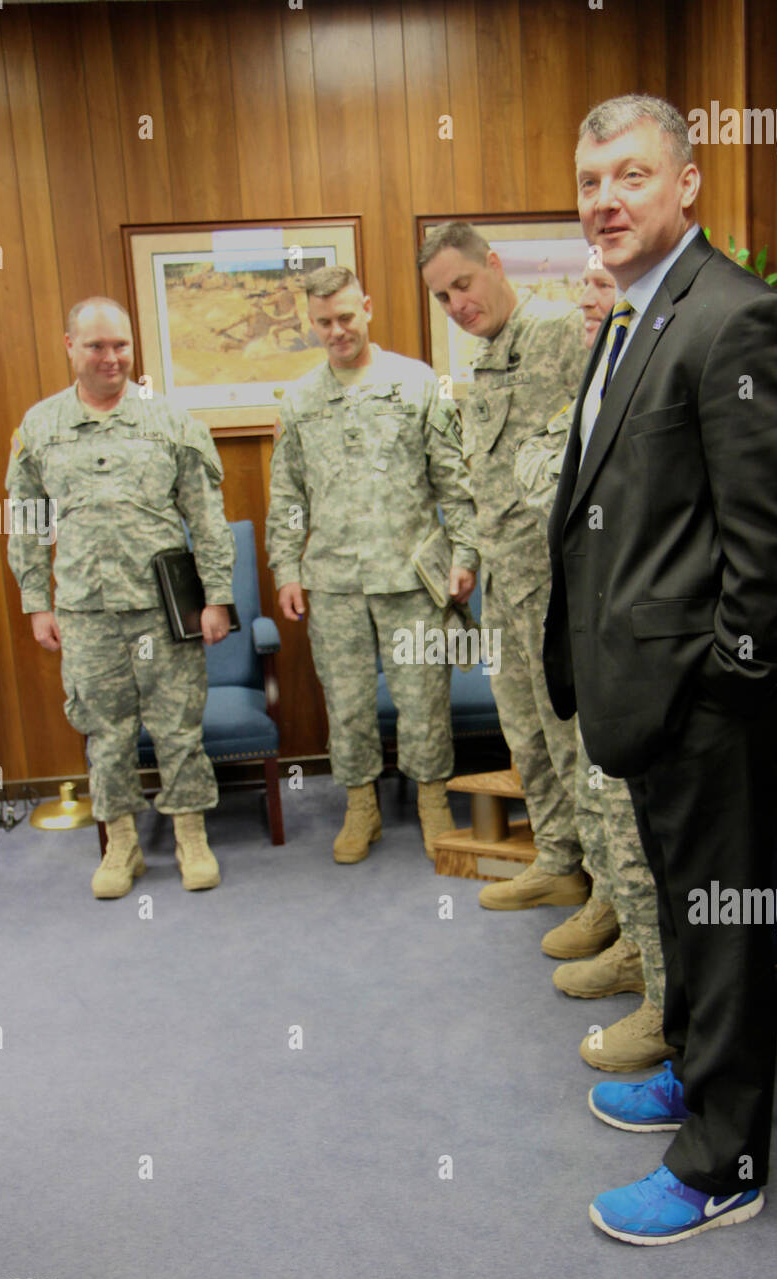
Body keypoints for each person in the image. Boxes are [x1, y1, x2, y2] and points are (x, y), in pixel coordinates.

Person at [544, 94, 777, 1243]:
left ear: (686, 183)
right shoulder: (638, 313)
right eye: (588, 182)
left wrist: (721, 696)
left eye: (630, 175)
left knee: (719, 921)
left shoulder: (736, 319)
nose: (604, 201)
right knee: (682, 909)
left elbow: (772, 553)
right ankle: (695, 1071)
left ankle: (724, 1164)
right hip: (650, 702)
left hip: (709, 709)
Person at [6, 297, 236, 899]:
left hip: (165, 611)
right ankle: (122, 844)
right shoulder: (40, 428)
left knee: (178, 729)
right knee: (105, 733)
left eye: (121, 345)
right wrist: (36, 602)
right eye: (96, 346)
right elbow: (27, 523)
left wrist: (217, 598)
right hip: (87, 613)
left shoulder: (171, 423)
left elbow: (208, 522)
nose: (111, 358)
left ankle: (190, 837)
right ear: (70, 347)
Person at [266, 266, 479, 863]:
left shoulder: (416, 383)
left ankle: (432, 801)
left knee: (424, 698)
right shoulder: (300, 400)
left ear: (367, 308)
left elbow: (453, 481)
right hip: (333, 581)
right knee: (347, 702)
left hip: (411, 578)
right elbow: (286, 498)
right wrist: (285, 569)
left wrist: (466, 554)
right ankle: (361, 807)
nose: (337, 331)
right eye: (323, 322)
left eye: (345, 317)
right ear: (311, 324)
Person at [515, 262, 671, 1072]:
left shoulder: (665, 367)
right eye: (581, 283)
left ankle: (664, 997)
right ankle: (628, 939)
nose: (585, 298)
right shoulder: (599, 370)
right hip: (592, 628)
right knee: (597, 798)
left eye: (603, 284)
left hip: (645, 643)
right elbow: (543, 480)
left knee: (633, 817)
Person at [419, 223, 592, 917]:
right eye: (442, 297)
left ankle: (610, 891)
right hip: (504, 584)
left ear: (493, 265)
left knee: (572, 739)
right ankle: (559, 861)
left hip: (556, 587)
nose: (457, 304)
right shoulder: (488, 356)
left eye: (463, 284)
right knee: (527, 736)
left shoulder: (559, 332)